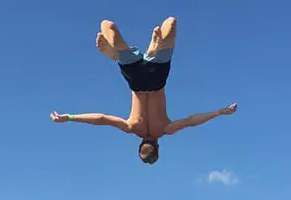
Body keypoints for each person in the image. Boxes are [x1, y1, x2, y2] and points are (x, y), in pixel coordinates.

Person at [50, 17, 237, 164]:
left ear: (158, 146)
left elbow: (191, 121)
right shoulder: (144, 128)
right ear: (145, 145)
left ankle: (133, 52)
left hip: (151, 78)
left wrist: (220, 112)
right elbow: (102, 119)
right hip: (142, 79)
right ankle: (134, 52)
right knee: (111, 26)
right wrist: (69, 117)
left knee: (167, 24)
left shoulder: (155, 128)